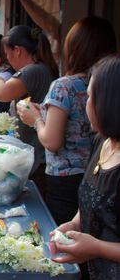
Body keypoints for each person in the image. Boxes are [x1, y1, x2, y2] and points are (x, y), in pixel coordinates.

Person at [17, 17, 118, 225]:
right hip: (94, 173)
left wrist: (36, 119)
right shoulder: (104, 84)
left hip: (65, 180)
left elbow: (52, 141)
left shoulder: (64, 86)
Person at [51, 55, 120, 280]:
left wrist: (97, 248)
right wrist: (72, 224)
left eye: (90, 96)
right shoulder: (102, 142)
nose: (85, 103)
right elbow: (92, 200)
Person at [0, 25, 58, 195]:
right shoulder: (39, 69)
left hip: (38, 159)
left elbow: (3, 92)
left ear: (17, 50)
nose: (8, 59)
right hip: (36, 156)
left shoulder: (32, 71)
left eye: (7, 54)